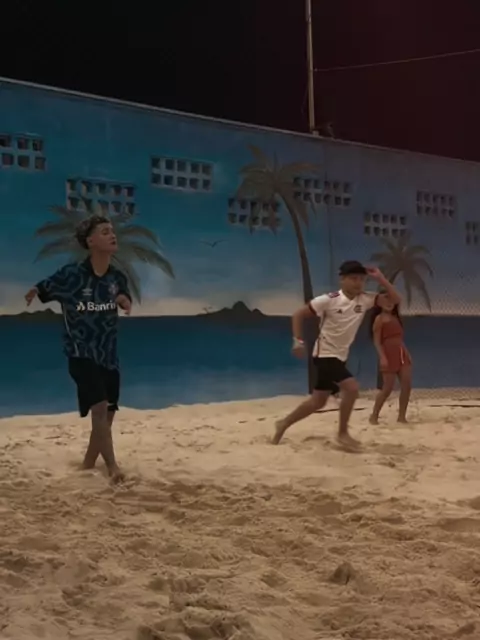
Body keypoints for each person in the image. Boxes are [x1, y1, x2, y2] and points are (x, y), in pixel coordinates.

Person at [24, 214, 132, 483]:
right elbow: (46, 286)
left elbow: (123, 293)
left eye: (112, 231)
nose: (112, 235)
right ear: (90, 241)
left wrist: (123, 300)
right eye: (105, 232)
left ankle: (87, 464)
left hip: (109, 355)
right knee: (99, 408)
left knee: (106, 417)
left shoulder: (117, 276)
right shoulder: (72, 275)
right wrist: (34, 291)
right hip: (80, 353)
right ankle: (113, 468)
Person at [272, 261, 401, 450]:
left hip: (340, 356)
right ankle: (342, 434)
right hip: (324, 354)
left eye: (362, 279)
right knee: (352, 388)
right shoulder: (328, 300)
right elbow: (298, 314)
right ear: (342, 280)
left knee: (318, 401)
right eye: (353, 278)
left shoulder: (365, 299)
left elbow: (395, 300)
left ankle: (283, 423)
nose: (358, 283)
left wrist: (381, 278)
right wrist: (298, 341)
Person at [368, 293, 412, 425]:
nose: (389, 303)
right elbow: (377, 341)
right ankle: (374, 416)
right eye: (386, 299)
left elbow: (399, 339)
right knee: (387, 388)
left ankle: (402, 417)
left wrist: (407, 352)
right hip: (388, 354)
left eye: (391, 300)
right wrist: (382, 357)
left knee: (406, 385)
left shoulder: (396, 318)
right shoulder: (379, 319)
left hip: (401, 353)